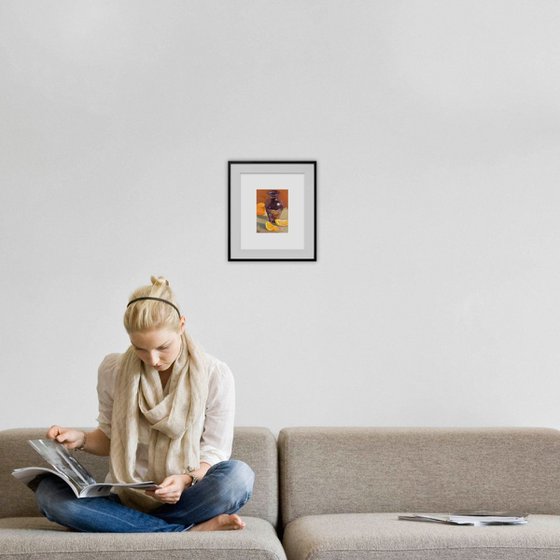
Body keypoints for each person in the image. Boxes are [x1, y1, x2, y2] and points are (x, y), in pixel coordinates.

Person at [34, 276, 254, 533]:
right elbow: (110, 438)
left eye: (163, 347)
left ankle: (130, 527)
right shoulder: (113, 370)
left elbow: (214, 451)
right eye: (139, 348)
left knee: (239, 477)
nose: (152, 359)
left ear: (182, 325)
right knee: (48, 494)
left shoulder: (215, 374)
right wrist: (80, 438)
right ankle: (184, 532)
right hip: (124, 498)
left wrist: (184, 480)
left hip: (186, 497)